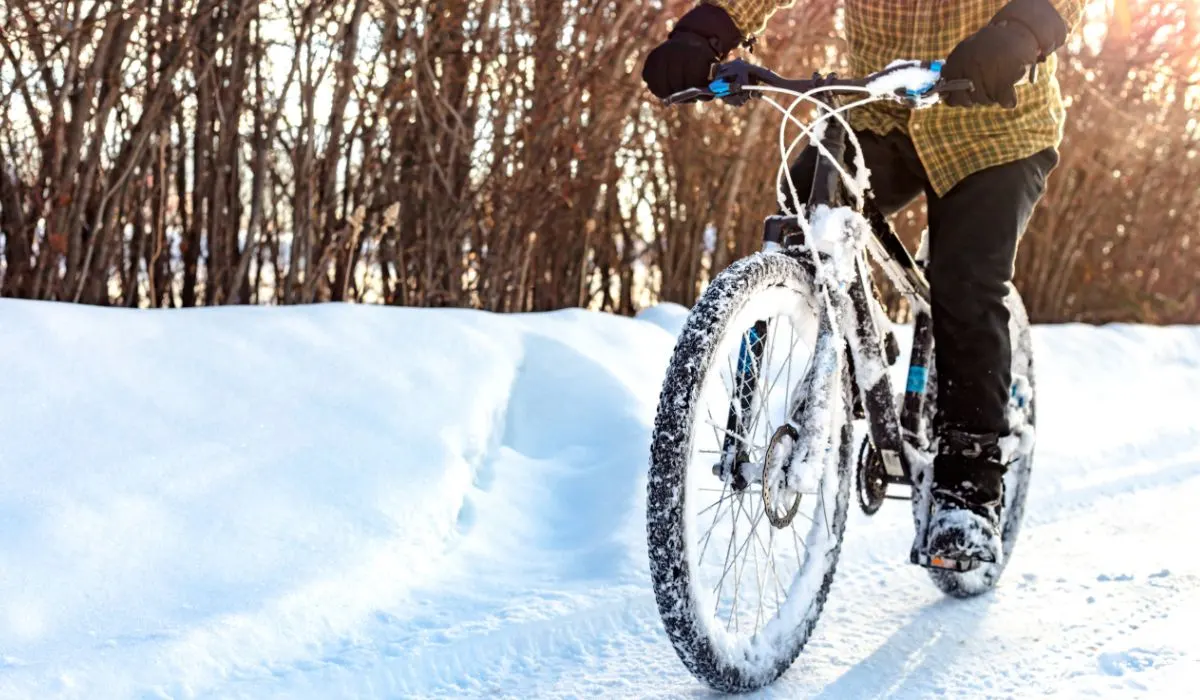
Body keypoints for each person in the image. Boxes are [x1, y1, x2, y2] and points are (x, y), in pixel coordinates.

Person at [641, 0, 1081, 569]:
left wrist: (1021, 30)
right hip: (879, 115)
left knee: (965, 280)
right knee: (803, 210)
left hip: (992, 123)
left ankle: (967, 491)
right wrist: (704, 34)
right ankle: (852, 349)